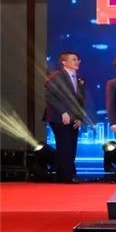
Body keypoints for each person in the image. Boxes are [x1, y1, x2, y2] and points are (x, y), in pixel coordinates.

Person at [43, 51, 86, 183]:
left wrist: (79, 117)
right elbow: (50, 96)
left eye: (77, 59)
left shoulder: (78, 79)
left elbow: (80, 101)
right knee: (64, 146)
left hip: (73, 118)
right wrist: (63, 112)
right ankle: (66, 176)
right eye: (73, 59)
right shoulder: (56, 76)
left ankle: (68, 175)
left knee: (71, 147)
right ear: (64, 62)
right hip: (58, 117)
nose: (77, 62)